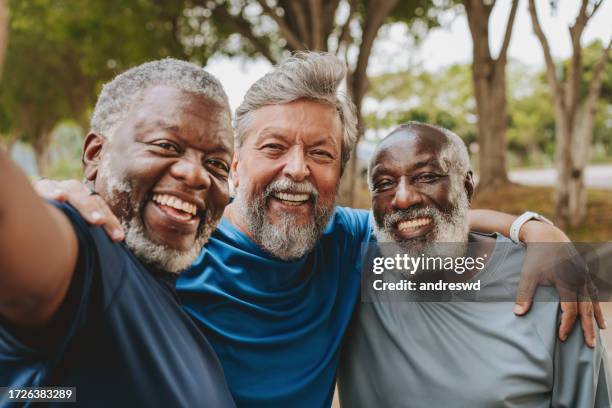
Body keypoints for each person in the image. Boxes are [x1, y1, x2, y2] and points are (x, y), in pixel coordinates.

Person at [34, 52, 604, 407]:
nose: (298, 169)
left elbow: (417, 217)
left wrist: (534, 229)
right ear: (233, 164)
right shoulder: (171, 245)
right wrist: (61, 195)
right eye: (274, 147)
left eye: (322, 153)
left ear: (339, 173)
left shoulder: (345, 242)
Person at [0, 59, 236, 407]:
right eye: (166, 146)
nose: (197, 175)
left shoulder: (174, 293)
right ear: (96, 154)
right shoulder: (91, 252)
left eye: (216, 164)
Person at [337, 122, 611, 407]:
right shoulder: (350, 266)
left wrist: (535, 230)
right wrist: (526, 225)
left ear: (466, 187)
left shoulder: (548, 282)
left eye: (426, 176)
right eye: (384, 184)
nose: (403, 198)